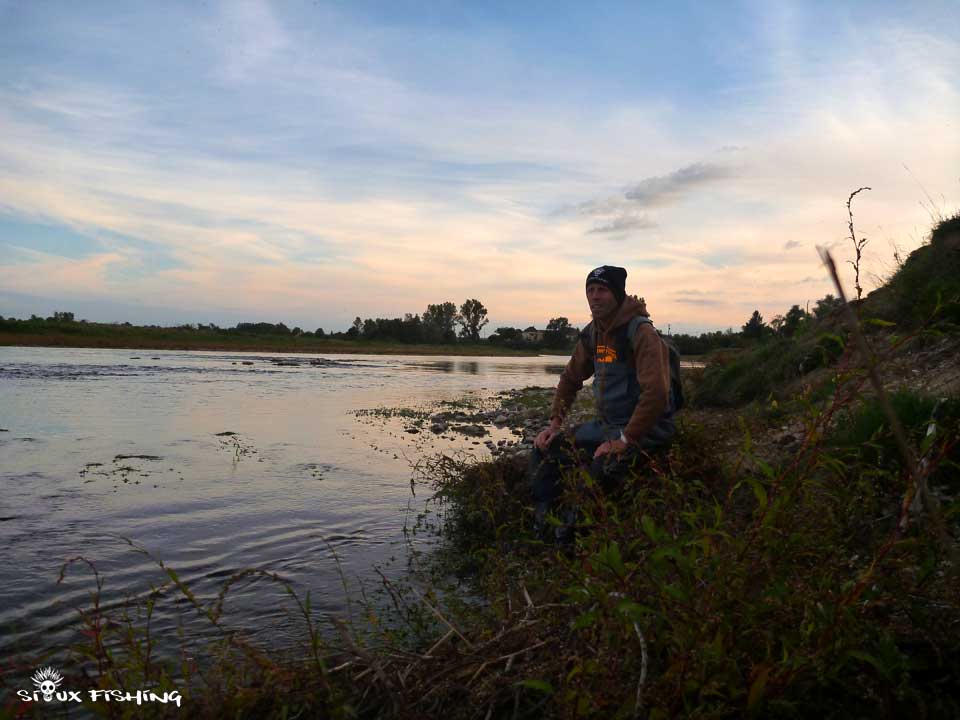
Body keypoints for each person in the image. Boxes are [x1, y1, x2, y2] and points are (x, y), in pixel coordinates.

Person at [530, 265, 676, 538]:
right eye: (590, 290)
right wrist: (555, 423)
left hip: (646, 430)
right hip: (606, 425)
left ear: (618, 294)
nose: (595, 296)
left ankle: (572, 534)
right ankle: (543, 521)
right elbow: (570, 379)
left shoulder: (641, 332)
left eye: (602, 290)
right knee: (545, 450)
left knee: (602, 468)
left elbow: (656, 394)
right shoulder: (593, 333)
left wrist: (624, 439)